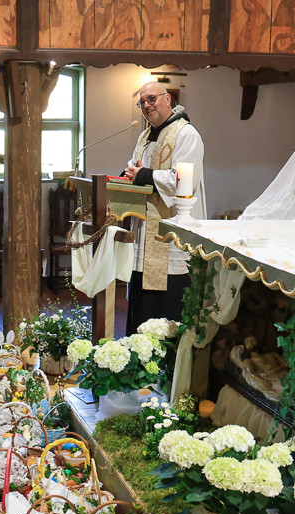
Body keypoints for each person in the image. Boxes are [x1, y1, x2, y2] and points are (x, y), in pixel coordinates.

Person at [121, 81, 206, 334]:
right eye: (142, 102)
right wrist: (127, 176)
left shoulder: (186, 134)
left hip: (170, 239)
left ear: (167, 98)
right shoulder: (145, 135)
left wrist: (144, 175)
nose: (146, 106)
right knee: (141, 308)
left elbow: (181, 182)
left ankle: (167, 367)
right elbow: (134, 169)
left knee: (166, 309)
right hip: (144, 235)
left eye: (152, 99)